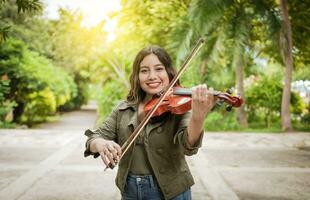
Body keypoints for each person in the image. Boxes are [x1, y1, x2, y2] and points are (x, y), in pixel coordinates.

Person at [84, 45, 216, 200]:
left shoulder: (178, 106)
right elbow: (94, 138)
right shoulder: (124, 109)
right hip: (130, 192)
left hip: (171, 192)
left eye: (159, 69)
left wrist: (198, 117)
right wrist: (100, 143)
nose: (152, 76)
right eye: (144, 70)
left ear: (169, 73)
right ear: (137, 76)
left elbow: (189, 146)